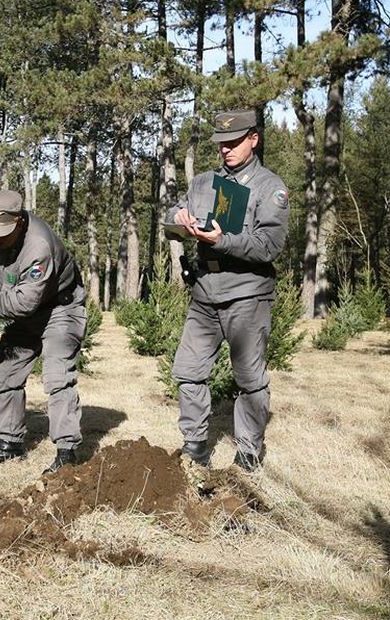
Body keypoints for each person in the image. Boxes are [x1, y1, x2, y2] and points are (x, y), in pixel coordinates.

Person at [165, 110, 290, 472]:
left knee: (250, 380)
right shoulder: (204, 183)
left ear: (254, 139)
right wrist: (178, 220)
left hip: (247, 295)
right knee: (188, 371)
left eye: (234, 142)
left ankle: (248, 454)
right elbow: (176, 213)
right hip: (205, 293)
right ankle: (195, 448)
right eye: (221, 143)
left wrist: (223, 241)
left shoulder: (270, 188)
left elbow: (269, 246)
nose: (226, 150)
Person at [0, 190, 86, 474]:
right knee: (4, 374)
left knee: (57, 378)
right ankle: (9, 443)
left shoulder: (38, 246)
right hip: (23, 307)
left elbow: (23, 303)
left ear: (19, 223)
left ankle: (67, 454)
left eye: (1, 234)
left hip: (59, 309)